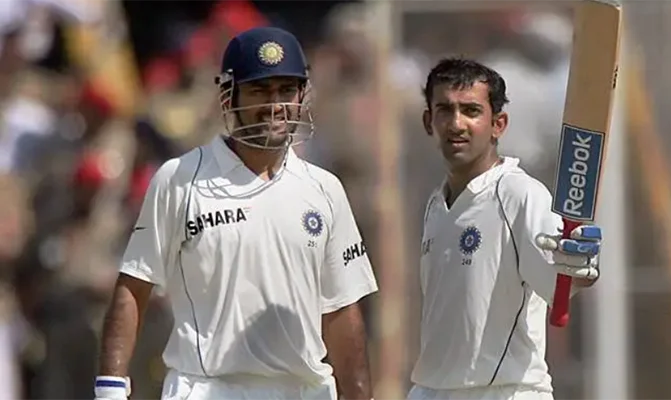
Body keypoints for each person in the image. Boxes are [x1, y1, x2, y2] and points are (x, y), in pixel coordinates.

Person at [94, 27, 378, 400]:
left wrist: (360, 395)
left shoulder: (325, 189)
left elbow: (342, 308)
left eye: (286, 90)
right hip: (204, 387)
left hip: (303, 391)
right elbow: (134, 286)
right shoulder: (179, 179)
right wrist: (110, 388)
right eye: (260, 90)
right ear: (228, 97)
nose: (275, 104)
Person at [407, 57, 602, 400]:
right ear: (428, 121)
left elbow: (561, 281)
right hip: (432, 390)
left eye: (471, 111)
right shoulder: (436, 204)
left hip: (504, 392)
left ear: (498, 124)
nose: (456, 124)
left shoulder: (519, 194)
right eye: (445, 110)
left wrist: (579, 267)